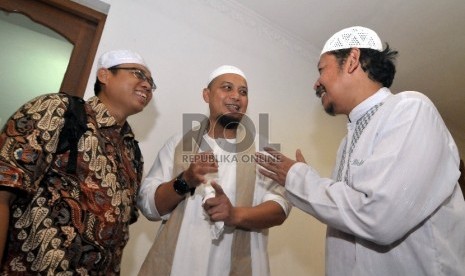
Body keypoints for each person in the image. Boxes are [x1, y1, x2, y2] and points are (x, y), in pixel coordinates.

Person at [255, 26, 465, 275]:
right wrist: (302, 181)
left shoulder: (411, 109)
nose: (316, 83)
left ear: (352, 60)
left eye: (321, 69)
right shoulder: (347, 143)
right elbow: (351, 224)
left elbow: (379, 218)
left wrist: (300, 179)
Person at [0, 49, 156, 275]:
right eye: (138, 74)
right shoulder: (59, 110)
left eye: (151, 82)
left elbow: (118, 232)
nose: (147, 85)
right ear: (104, 76)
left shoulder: (132, 151)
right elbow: (4, 186)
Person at [137, 65, 291, 276]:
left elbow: (280, 209)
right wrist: (185, 180)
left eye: (243, 92)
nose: (236, 96)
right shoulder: (177, 145)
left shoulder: (263, 151)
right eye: (227, 88)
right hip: (178, 266)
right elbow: (148, 205)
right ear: (206, 95)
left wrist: (234, 214)